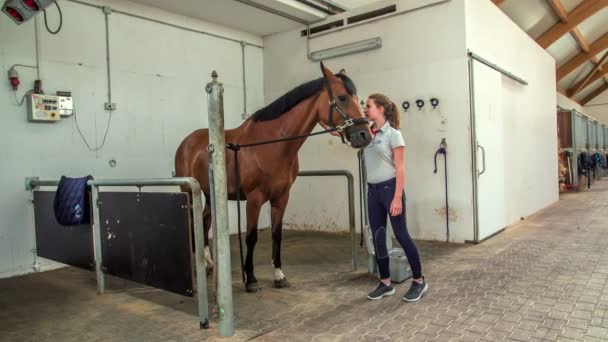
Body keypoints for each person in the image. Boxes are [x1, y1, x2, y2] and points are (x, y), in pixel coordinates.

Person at [362, 93, 428, 302]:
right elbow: (344, 133)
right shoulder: (367, 133)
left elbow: (400, 168)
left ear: (381, 109)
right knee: (378, 237)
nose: (365, 109)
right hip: (372, 191)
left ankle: (419, 281)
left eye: (369, 106)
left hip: (391, 189)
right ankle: (385, 283)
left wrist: (397, 197)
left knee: (401, 235)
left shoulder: (393, 134)